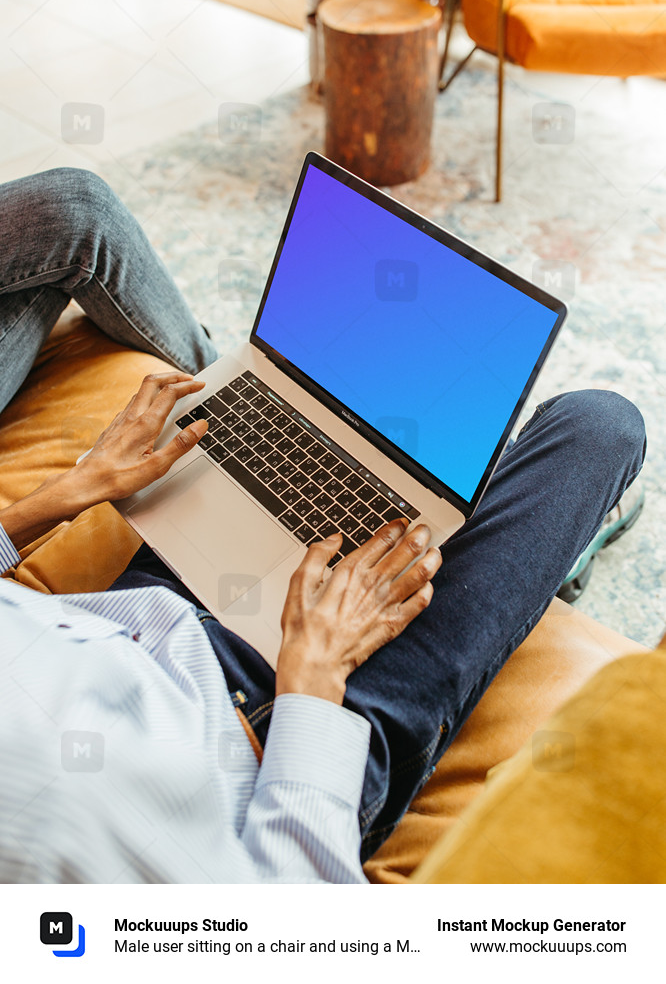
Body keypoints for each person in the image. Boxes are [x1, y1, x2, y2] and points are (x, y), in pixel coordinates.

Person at [0, 168, 647, 884]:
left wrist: (67, 492)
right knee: (601, 425)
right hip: (282, 727)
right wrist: (316, 671)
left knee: (313, 407)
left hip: (145, 611)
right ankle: (552, 567)